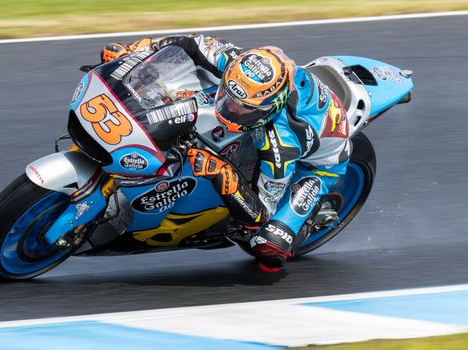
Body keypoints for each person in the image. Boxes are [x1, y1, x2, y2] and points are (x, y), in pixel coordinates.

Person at [100, 35, 351, 272]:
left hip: (321, 165)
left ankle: (305, 223)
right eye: (229, 97)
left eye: (245, 110)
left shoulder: (281, 144)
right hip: (293, 102)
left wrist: (223, 174)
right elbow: (187, 43)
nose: (231, 109)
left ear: (269, 109)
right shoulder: (238, 63)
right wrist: (135, 52)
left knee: (268, 245)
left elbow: (261, 212)